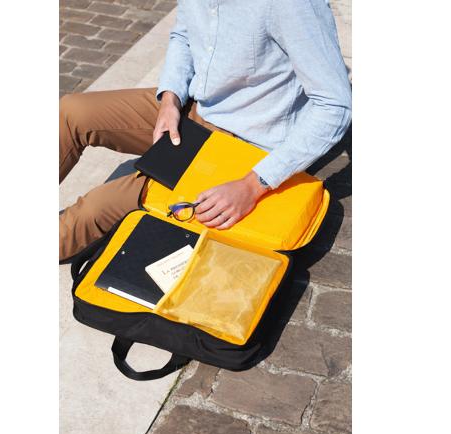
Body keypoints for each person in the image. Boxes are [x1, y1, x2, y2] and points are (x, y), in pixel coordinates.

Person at [59, 0, 352, 261]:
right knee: (72, 112)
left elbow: (335, 105)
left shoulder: (292, 5)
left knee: (96, 208)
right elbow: (184, 35)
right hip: (196, 107)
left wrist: (253, 185)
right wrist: (170, 99)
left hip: (245, 141)